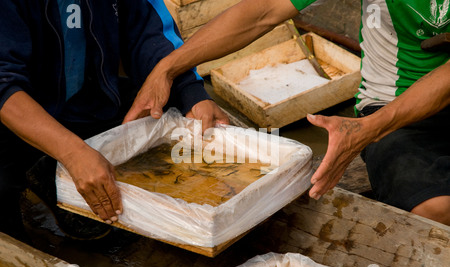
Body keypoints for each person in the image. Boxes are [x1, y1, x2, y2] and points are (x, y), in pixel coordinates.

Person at [130, 0, 450, 225]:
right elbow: (263, 11)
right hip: (392, 107)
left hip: (394, 116)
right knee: (434, 210)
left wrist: (371, 129)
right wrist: (168, 68)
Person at [0, 0, 229, 240]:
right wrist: (73, 153)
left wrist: (191, 93)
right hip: (12, 119)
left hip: (89, 102)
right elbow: (4, 85)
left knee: (170, 111)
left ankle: (50, 171)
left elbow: (146, 30)